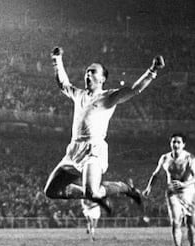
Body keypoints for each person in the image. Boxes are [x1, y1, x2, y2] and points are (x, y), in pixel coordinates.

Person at [44, 46, 165, 213]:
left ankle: (124, 188)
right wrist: (57, 60)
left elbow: (134, 89)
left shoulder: (108, 97)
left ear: (102, 79)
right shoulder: (79, 94)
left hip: (93, 149)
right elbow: (63, 83)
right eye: (87, 71)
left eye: (93, 72)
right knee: (51, 191)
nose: (88, 74)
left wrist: (153, 70)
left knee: (92, 191)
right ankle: (90, 194)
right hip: (74, 150)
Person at [143, 133, 195, 246]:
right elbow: (155, 174)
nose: (176, 144)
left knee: (191, 224)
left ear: (183, 145)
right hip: (172, 193)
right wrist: (149, 188)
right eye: (173, 142)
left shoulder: (189, 158)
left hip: (189, 192)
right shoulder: (165, 158)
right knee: (175, 223)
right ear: (170, 144)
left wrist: (184, 184)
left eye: (178, 142)